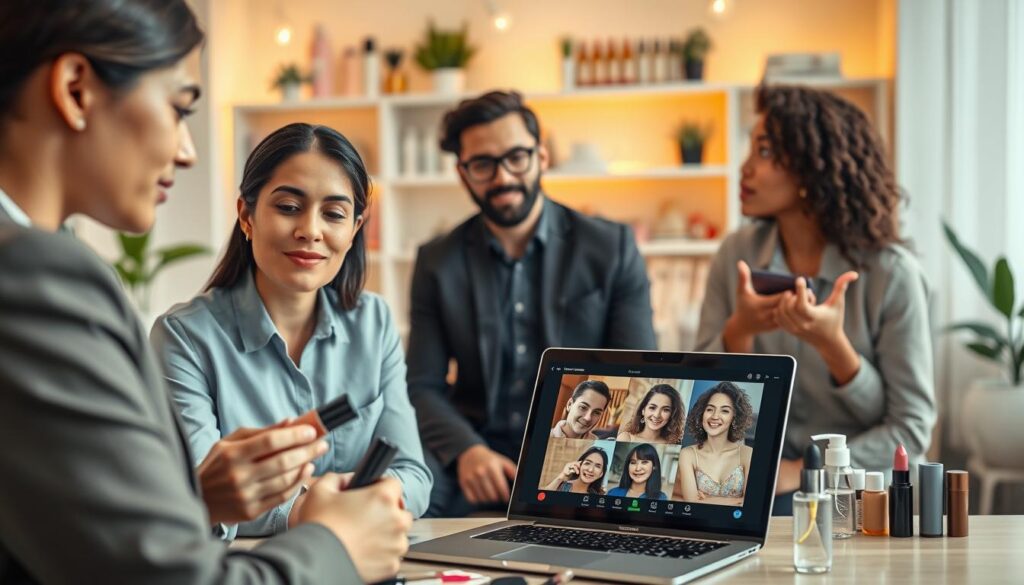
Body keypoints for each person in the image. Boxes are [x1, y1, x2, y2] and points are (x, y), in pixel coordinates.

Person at [0, 2, 409, 582]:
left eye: (335, 212)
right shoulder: (36, 275)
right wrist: (334, 542)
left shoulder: (374, 322)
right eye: (178, 108)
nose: (188, 151)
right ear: (75, 90)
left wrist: (197, 500)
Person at [150, 123, 432, 538]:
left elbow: (413, 476)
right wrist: (318, 509)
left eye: (334, 214)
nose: (310, 230)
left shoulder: (375, 322)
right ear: (246, 215)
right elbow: (201, 493)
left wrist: (308, 499)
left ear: (355, 230)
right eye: (287, 207)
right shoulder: (183, 338)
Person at [407, 90, 657, 517]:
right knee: (403, 506)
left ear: (541, 156)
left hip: (579, 446)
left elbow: (641, 371)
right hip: (477, 452)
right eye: (483, 164)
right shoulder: (437, 261)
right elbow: (422, 384)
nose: (503, 177)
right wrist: (466, 450)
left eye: (516, 157)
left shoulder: (610, 248)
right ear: (463, 173)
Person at [695, 84, 935, 514]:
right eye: (750, 149)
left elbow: (909, 432)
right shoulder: (736, 255)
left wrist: (833, 347)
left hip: (862, 496)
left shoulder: (892, 275)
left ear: (811, 171)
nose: (744, 168)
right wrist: (740, 332)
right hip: (748, 487)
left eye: (764, 152)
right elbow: (705, 403)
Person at [675, 382, 753, 506]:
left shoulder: (747, 454)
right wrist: (738, 501)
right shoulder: (687, 454)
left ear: (734, 417)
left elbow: (751, 503)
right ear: (702, 414)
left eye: (725, 411)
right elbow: (691, 503)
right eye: (710, 409)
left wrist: (705, 500)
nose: (715, 416)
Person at [616, 384, 684, 444]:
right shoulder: (626, 438)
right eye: (652, 407)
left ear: (672, 414)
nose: (657, 415)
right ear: (643, 410)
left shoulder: (675, 443)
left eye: (665, 410)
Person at [543, 446, 609, 494]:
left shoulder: (597, 495)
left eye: (597, 466)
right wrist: (561, 476)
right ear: (579, 465)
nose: (591, 469)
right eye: (587, 463)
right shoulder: (560, 485)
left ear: (601, 474)